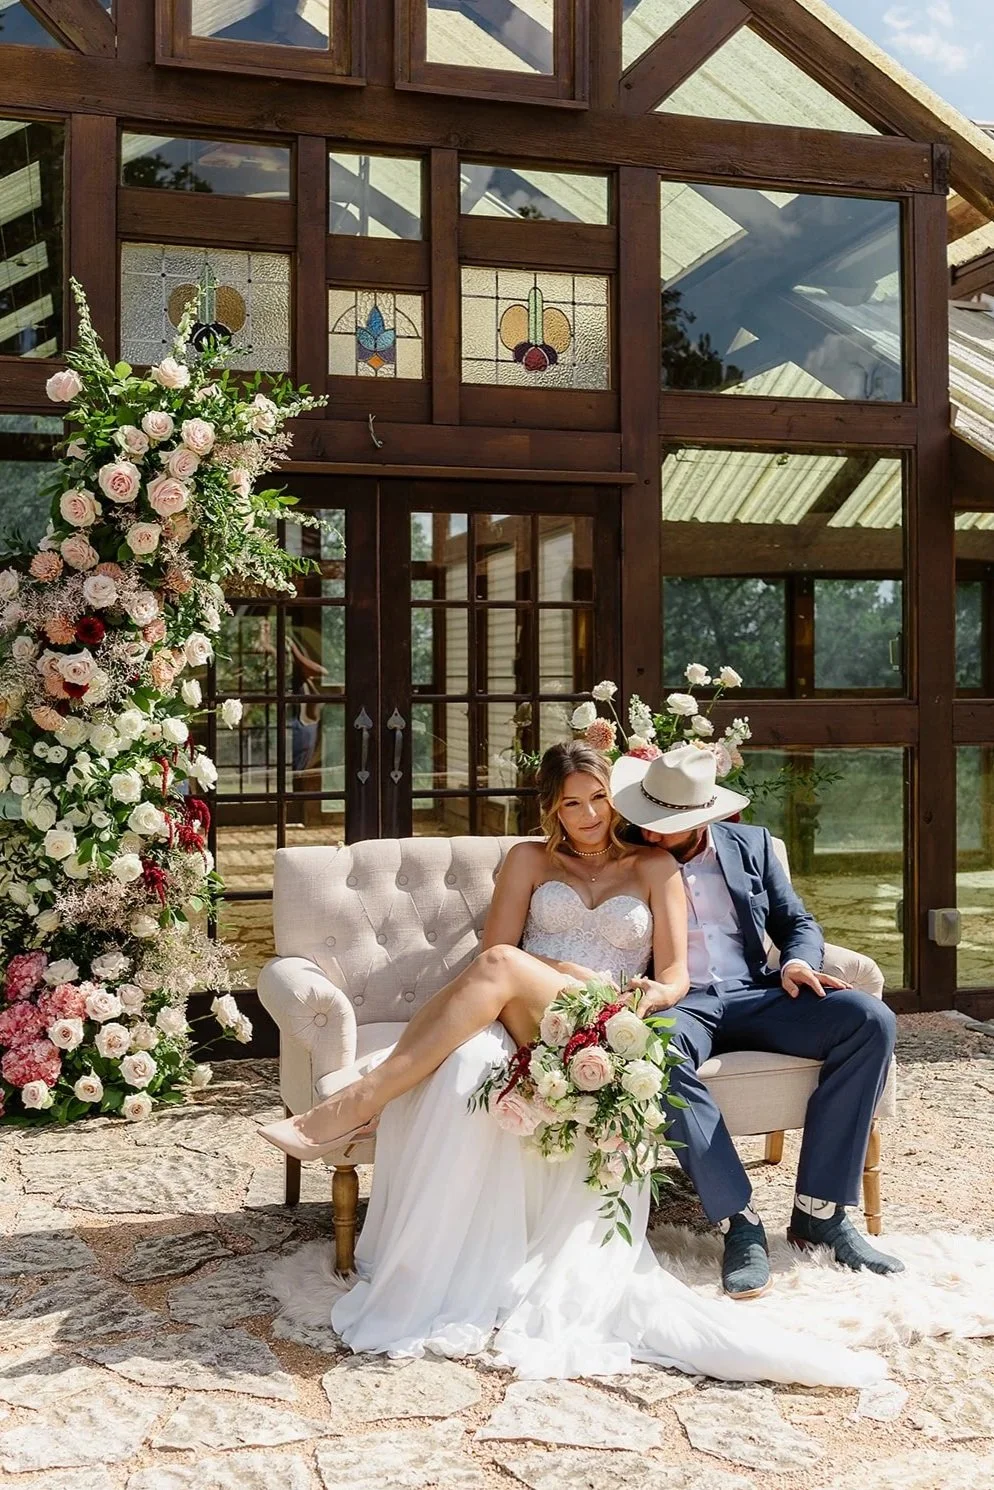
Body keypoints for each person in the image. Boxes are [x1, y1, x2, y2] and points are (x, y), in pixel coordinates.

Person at [258, 742, 887, 1386]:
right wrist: (560, 969)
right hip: (549, 999)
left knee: (870, 1019)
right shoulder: (530, 858)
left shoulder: (666, 862)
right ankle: (736, 1218)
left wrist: (729, 976)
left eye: (598, 800)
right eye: (572, 803)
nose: (589, 815)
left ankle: (358, 1104)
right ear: (552, 809)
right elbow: (498, 951)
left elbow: (690, 966)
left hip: (650, 1003)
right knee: (509, 973)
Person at [611, 742, 904, 1302]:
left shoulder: (752, 845)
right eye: (647, 820)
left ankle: (819, 1213)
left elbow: (797, 919)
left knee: (869, 1020)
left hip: (757, 993)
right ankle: (738, 1223)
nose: (650, 834)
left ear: (702, 817)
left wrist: (796, 963)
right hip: (677, 1002)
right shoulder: (624, 853)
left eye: (664, 826)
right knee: (658, 1055)